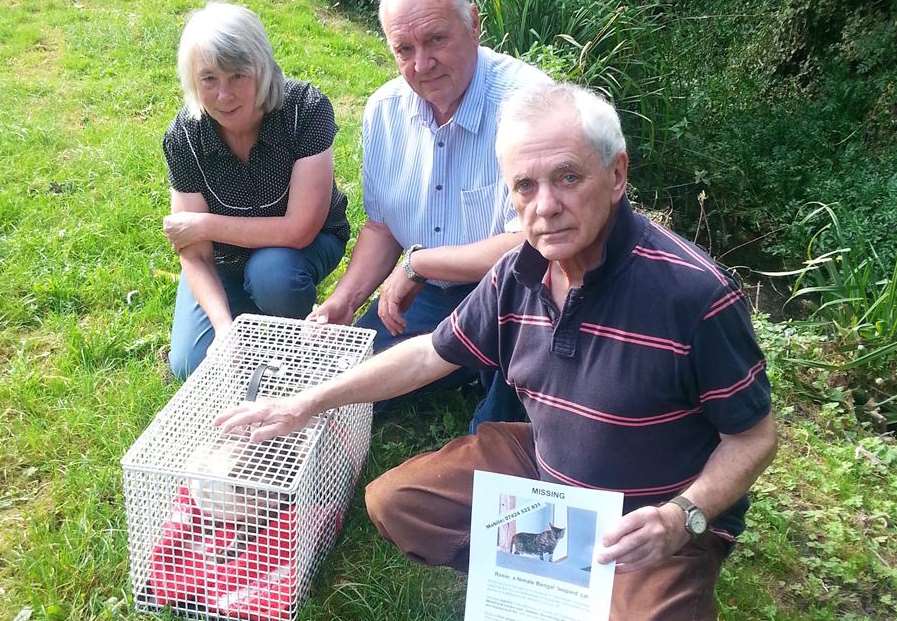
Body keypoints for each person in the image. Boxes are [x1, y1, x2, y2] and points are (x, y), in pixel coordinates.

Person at [216, 83, 778, 620]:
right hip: (547, 466)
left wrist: (684, 516)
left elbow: (754, 436)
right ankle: (535, 583)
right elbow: (425, 356)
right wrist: (307, 402)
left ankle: (595, 581)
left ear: (617, 174)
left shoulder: (696, 295)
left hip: (650, 507)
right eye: (525, 186)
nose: (546, 206)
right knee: (398, 503)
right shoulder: (516, 274)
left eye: (567, 177)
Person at [309, 0, 548, 428]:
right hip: (429, 295)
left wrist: (418, 264)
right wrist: (344, 300)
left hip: (521, 298)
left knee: (497, 440)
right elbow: (382, 227)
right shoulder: (384, 110)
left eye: (437, 39)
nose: (422, 63)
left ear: (473, 23)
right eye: (404, 49)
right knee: (342, 392)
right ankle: (463, 365)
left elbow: (533, 245)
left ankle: (488, 378)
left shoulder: (530, 105)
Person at [162, 2, 350, 379]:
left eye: (238, 76)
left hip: (302, 246)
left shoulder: (305, 109)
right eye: (209, 79)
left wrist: (204, 225)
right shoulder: (183, 136)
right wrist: (222, 328)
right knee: (189, 365)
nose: (223, 95)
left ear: (262, 69)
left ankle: (291, 333)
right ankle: (242, 317)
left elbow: (299, 230)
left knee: (273, 275)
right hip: (224, 261)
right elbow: (195, 254)